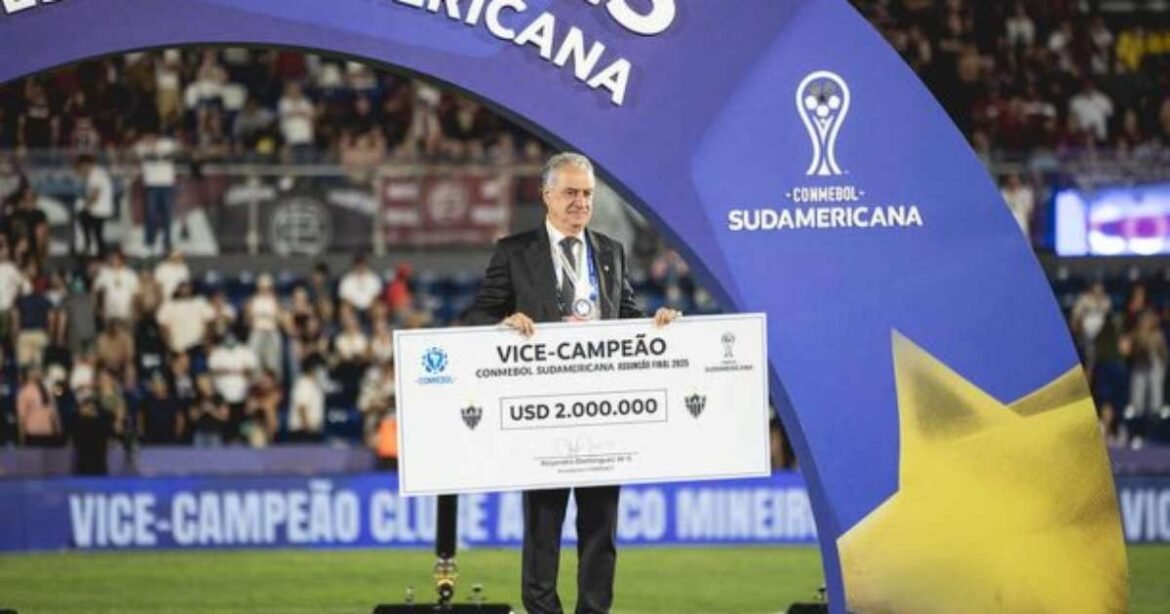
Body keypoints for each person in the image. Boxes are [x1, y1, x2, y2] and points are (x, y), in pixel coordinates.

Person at [462, 152, 680, 614]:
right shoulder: (514, 252)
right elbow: (478, 314)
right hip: (542, 412)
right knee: (543, 527)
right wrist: (503, 322)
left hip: (600, 410)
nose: (581, 202)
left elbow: (626, 318)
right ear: (547, 195)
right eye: (571, 193)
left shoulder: (611, 251)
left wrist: (655, 325)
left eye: (587, 194)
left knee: (601, 527)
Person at [74, 154, 115, 257]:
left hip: (99, 210)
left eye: (81, 167)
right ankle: (95, 250)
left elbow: (95, 194)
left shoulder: (95, 174)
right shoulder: (98, 172)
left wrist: (85, 206)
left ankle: (89, 247)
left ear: (85, 164)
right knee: (97, 234)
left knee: (83, 217)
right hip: (101, 209)